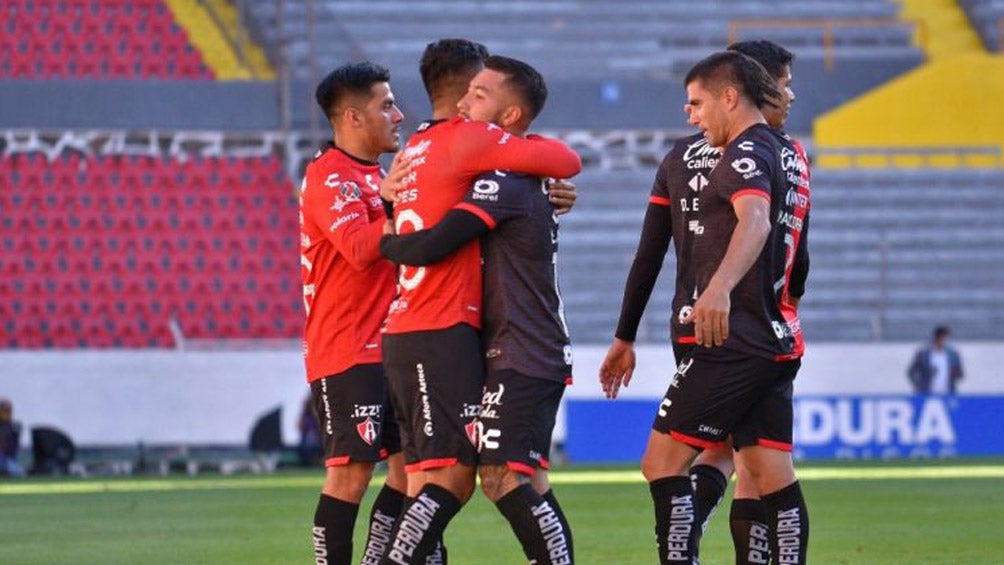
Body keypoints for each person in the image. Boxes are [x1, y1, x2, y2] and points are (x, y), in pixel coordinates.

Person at [601, 39, 810, 564]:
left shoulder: (707, 154)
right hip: (772, 331)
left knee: (666, 463)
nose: (785, 95)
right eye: (781, 84)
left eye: (695, 103)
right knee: (760, 472)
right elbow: (797, 253)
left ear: (727, 95)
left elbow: (651, 252)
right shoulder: (789, 153)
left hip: (719, 333)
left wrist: (710, 292)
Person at [377, 39, 581, 564]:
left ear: (507, 116)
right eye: (468, 92)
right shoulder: (491, 168)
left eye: (480, 95)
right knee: (495, 477)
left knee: (495, 477)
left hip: (524, 349)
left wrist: (378, 235)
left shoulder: (500, 178)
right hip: (495, 346)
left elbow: (435, 241)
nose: (467, 106)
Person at [299, 61, 408, 565]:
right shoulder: (329, 177)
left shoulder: (373, 176)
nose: (398, 114)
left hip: (392, 347)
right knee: (351, 474)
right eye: (386, 104)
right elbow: (359, 249)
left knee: (409, 474)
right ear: (352, 117)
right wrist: (387, 206)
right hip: (346, 350)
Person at [908, 326, 964, 395]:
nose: (946, 340)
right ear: (938, 337)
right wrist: (917, 385)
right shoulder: (923, 354)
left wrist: (955, 374)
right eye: (944, 337)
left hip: (947, 392)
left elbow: (960, 373)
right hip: (927, 391)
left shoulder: (953, 355)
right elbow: (911, 372)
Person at [0, 398, 25, 477]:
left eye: (9, 411)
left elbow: (14, 450)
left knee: (19, 471)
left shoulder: (13, 428)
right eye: (4, 411)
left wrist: (16, 436)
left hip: (9, 461)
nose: (7, 414)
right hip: (2, 460)